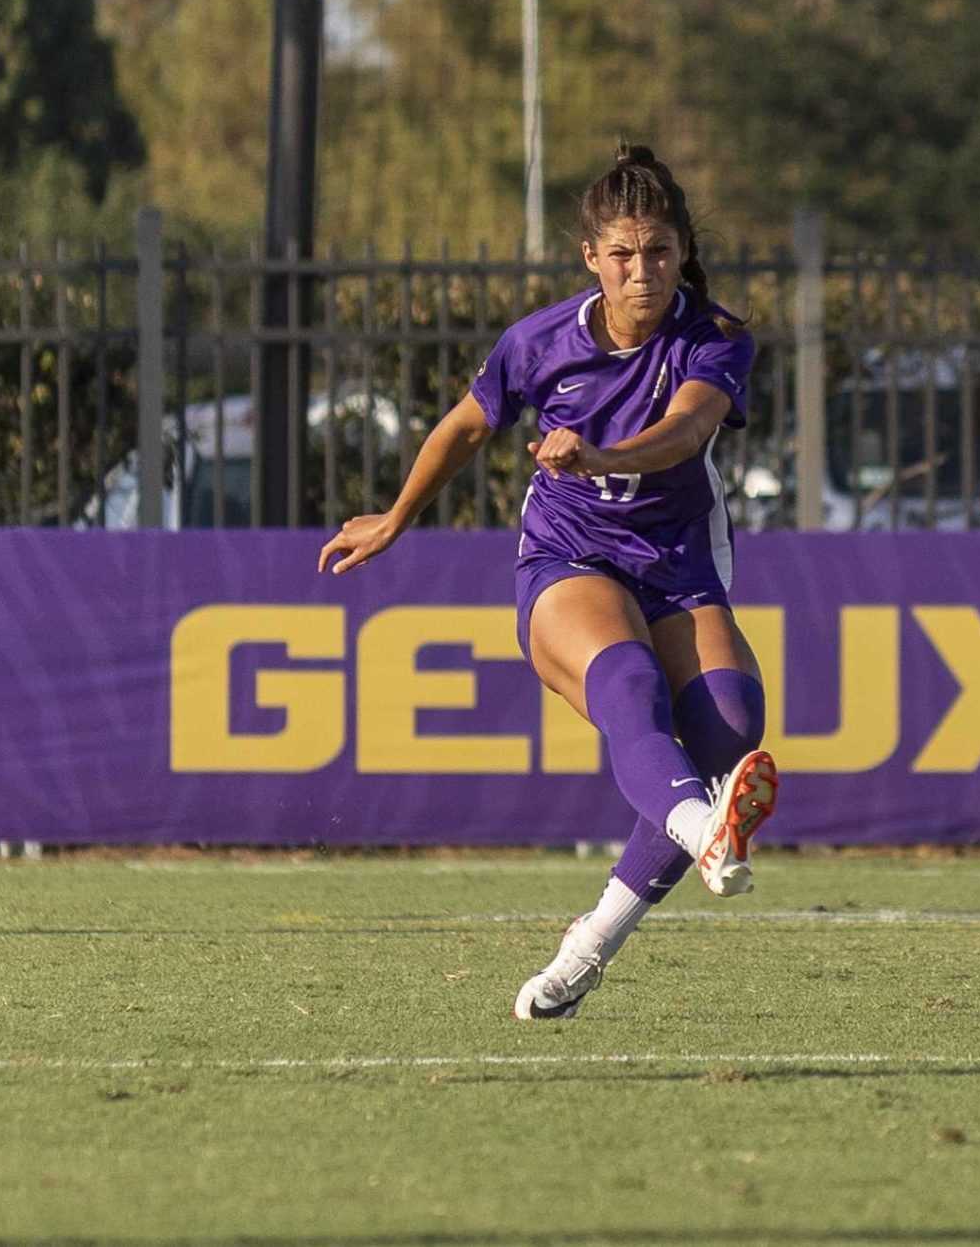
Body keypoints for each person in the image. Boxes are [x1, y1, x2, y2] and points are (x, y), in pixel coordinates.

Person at [319, 144, 778, 1021]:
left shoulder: (715, 340)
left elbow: (684, 436)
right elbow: (464, 426)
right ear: (591, 260)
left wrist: (600, 452)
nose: (642, 272)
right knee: (634, 688)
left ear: (683, 251)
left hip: (677, 563)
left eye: (659, 252)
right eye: (622, 254)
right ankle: (706, 830)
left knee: (730, 732)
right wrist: (396, 514)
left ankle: (587, 947)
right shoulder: (539, 342)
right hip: (570, 557)